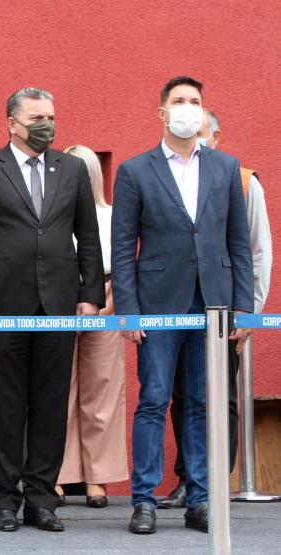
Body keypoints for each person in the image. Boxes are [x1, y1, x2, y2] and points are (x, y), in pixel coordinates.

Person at [0, 87, 105, 533]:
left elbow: (89, 237)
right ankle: (5, 500)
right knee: (4, 406)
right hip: (2, 305)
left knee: (49, 405)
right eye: (37, 117)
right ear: (13, 123)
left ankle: (42, 499)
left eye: (52, 117)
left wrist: (90, 294)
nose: (47, 124)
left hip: (58, 304)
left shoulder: (73, 168)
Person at [112, 76, 253, 535]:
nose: (187, 108)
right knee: (152, 400)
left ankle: (200, 497)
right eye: (178, 101)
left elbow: (238, 243)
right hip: (157, 303)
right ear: (162, 112)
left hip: (212, 302)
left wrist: (244, 308)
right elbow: (122, 248)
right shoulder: (135, 170)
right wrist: (128, 311)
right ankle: (144, 501)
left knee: (200, 402)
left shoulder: (226, 167)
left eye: (194, 101)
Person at [156, 108, 271, 510]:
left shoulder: (240, 179)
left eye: (203, 134)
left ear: (217, 137)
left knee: (219, 397)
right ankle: (189, 480)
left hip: (223, 309)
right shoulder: (169, 175)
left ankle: (215, 483)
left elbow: (257, 252)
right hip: (180, 306)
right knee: (182, 396)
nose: (195, 140)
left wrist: (249, 311)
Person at [55, 144, 129, 508]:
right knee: (59, 391)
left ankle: (98, 478)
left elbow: (124, 265)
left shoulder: (112, 215)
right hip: (59, 302)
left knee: (102, 390)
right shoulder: (51, 215)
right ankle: (61, 474)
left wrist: (110, 302)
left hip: (106, 299)